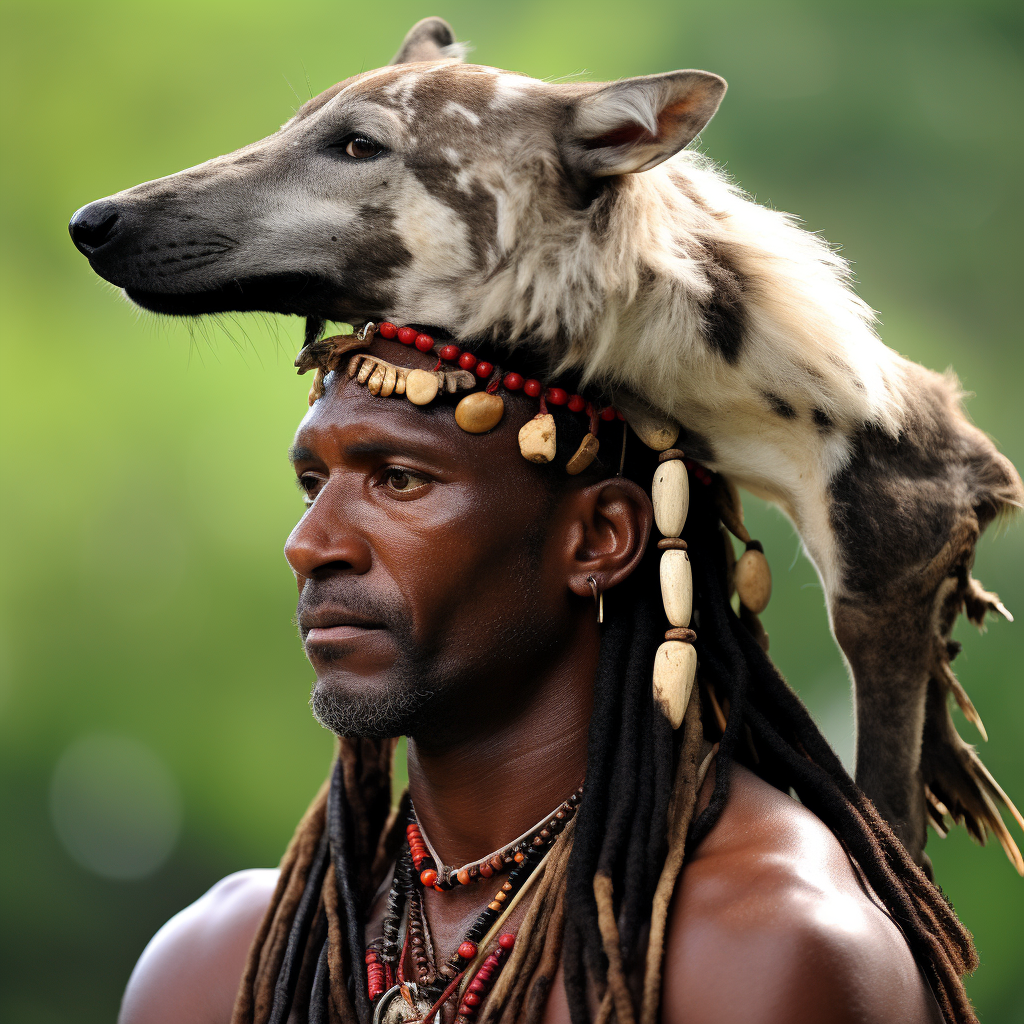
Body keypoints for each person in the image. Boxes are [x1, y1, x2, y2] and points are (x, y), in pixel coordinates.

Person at [116, 325, 974, 1024]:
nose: (311, 543)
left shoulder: (762, 952)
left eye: (399, 479)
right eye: (313, 484)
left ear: (599, 539)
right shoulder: (219, 968)